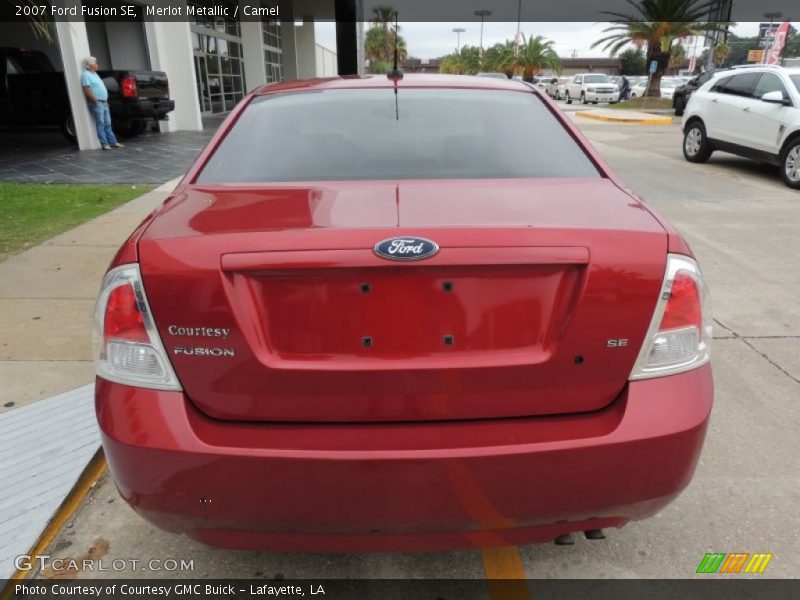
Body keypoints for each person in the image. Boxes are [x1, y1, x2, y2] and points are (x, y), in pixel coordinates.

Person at [80, 56, 124, 150]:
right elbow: (87, 89)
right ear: (89, 65)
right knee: (101, 123)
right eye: (94, 63)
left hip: (103, 102)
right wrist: (94, 100)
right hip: (98, 103)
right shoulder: (86, 75)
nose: (96, 65)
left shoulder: (95, 74)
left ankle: (113, 142)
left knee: (108, 123)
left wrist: (105, 100)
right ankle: (104, 144)